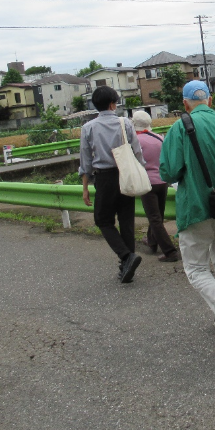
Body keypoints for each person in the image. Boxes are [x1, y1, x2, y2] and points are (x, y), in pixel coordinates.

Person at [159, 80, 215, 346]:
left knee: (196, 268)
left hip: (196, 208)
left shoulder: (179, 128)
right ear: (210, 100)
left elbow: (168, 172)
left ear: (185, 103)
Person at [79, 86, 145, 283]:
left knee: (103, 220)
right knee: (126, 221)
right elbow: (138, 151)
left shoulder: (88, 128)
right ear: (111, 104)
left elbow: (85, 161)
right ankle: (127, 264)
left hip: (105, 178)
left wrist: (85, 187)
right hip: (126, 173)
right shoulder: (125, 122)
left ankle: (126, 257)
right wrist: (140, 171)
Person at [133, 110, 179, 262]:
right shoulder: (159, 137)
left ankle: (170, 251)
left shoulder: (136, 140)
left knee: (154, 218)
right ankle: (151, 241)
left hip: (148, 183)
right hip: (162, 181)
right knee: (157, 215)